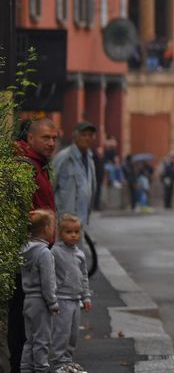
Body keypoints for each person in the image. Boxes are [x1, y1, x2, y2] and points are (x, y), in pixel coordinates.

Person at [9, 119, 58, 372]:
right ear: (30, 139)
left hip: (37, 250)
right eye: (45, 138)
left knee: (28, 321)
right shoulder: (24, 166)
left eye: (54, 138)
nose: (51, 143)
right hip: (28, 255)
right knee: (23, 319)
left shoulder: (37, 164)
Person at [51, 214, 91, 373]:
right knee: (61, 332)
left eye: (76, 231)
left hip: (76, 300)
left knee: (73, 334)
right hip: (62, 299)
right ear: (60, 233)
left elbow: (84, 276)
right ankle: (57, 363)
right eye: (68, 232)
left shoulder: (80, 254)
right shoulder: (55, 251)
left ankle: (67, 360)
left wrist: (86, 296)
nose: (73, 235)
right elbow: (49, 274)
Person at [21, 210, 59, 373]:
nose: (54, 230)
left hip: (28, 300)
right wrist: (53, 302)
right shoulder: (44, 253)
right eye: (53, 226)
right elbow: (48, 282)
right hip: (41, 302)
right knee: (42, 341)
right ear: (45, 229)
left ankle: (25, 369)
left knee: (30, 340)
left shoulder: (24, 249)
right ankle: (41, 369)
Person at [52, 121, 97, 226]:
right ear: (75, 136)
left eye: (90, 135)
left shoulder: (90, 159)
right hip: (63, 219)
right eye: (83, 135)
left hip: (82, 219)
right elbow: (50, 185)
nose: (87, 138)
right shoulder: (63, 157)